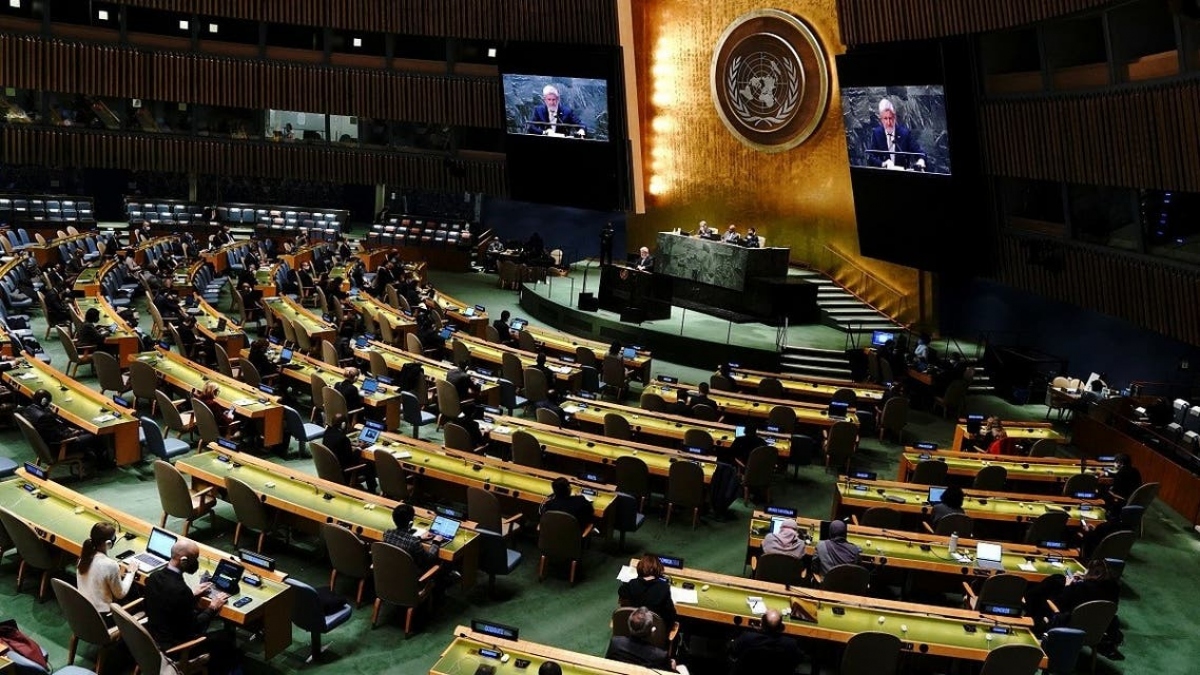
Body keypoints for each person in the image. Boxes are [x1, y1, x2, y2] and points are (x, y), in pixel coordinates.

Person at [143, 538, 240, 675]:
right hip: (176, 648)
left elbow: (168, 604)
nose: (196, 563)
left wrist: (192, 595)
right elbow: (195, 627)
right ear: (183, 560)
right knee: (226, 640)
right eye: (194, 559)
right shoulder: (181, 590)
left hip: (155, 637)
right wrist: (212, 607)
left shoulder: (154, 577)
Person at [77, 521, 136, 623]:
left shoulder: (82, 559)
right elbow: (120, 594)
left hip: (83, 612)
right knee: (135, 596)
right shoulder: (111, 565)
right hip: (103, 619)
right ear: (108, 543)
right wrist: (131, 572)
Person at [728, 609, 803, 674]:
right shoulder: (790, 644)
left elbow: (733, 651)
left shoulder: (748, 638)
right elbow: (798, 660)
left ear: (761, 624)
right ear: (781, 627)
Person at [605, 607, 675, 670]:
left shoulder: (615, 643)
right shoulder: (661, 656)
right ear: (652, 632)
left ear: (629, 626)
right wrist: (673, 667)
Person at [618, 554, 677, 628]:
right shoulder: (663, 587)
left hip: (632, 628)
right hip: (654, 633)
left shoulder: (631, 584)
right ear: (658, 569)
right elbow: (670, 615)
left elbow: (621, 594)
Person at [323, 413, 376, 492]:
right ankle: (372, 490)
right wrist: (359, 448)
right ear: (343, 424)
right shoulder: (343, 439)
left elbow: (338, 445)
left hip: (330, 468)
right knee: (368, 463)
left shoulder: (327, 433)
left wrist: (351, 444)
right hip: (343, 472)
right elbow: (350, 459)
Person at [868, 98, 925, 170]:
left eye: (890, 118)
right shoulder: (877, 133)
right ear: (881, 120)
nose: (888, 123)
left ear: (894, 118)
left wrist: (921, 161)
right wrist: (883, 164)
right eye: (885, 119)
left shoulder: (905, 133)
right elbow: (871, 158)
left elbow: (920, 153)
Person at [383, 503, 441, 572]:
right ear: (411, 523)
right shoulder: (414, 542)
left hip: (391, 572)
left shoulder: (387, 534)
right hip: (411, 578)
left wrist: (420, 538)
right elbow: (429, 560)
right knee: (440, 564)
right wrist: (436, 543)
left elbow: (404, 540)